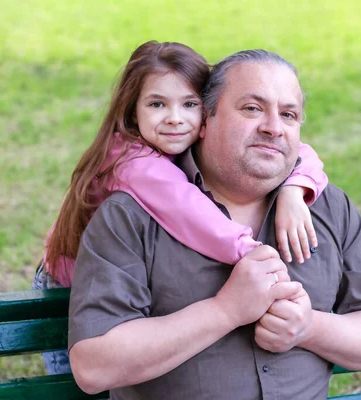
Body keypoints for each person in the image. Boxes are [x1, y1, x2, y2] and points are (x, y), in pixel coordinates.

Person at [67, 49, 361, 399]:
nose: (273, 127)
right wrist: (224, 311)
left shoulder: (329, 207)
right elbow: (94, 366)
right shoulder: (131, 215)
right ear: (205, 120)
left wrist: (309, 327)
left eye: (288, 115)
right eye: (252, 109)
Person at [33, 41, 328, 374]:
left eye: (189, 104)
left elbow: (301, 151)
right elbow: (190, 213)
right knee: (84, 385)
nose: (175, 119)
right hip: (71, 284)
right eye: (157, 104)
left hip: (124, 278)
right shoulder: (132, 162)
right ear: (132, 113)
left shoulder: (171, 142)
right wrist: (255, 256)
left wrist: (294, 187)